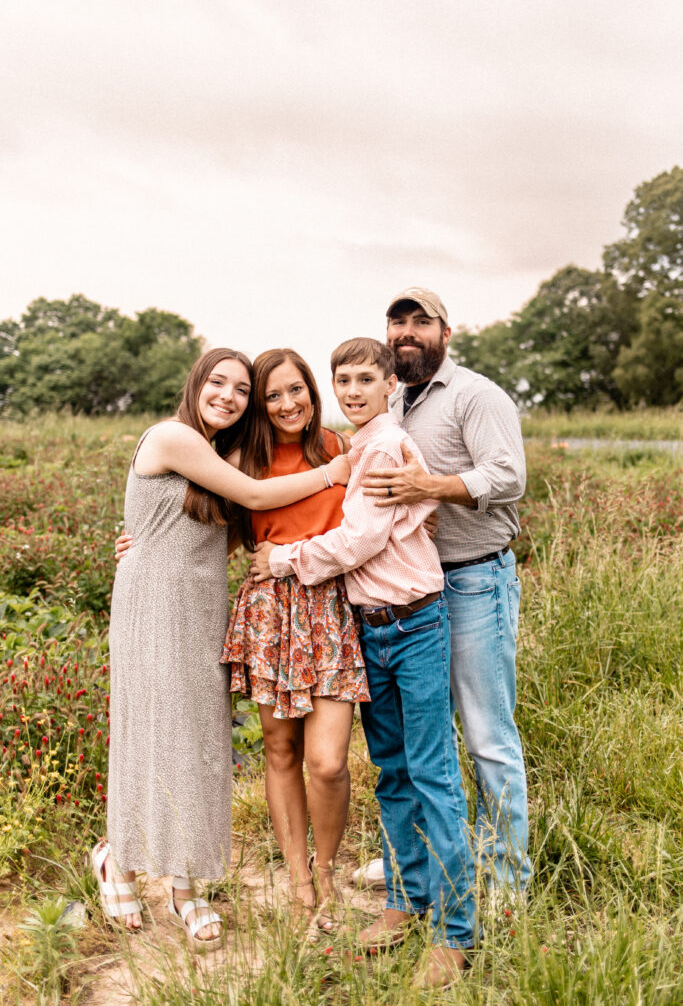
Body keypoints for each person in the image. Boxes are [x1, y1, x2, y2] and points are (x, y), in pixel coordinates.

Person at [96, 347, 350, 951]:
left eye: (242, 389)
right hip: (155, 602)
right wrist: (332, 474)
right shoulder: (173, 436)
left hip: (202, 606)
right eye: (219, 382)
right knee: (151, 730)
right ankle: (118, 859)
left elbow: (248, 513)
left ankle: (189, 883)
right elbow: (258, 498)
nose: (229, 396)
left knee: (202, 740)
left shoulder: (224, 453)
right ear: (196, 383)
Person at [250, 338, 477, 989]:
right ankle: (404, 903)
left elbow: (360, 539)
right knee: (392, 772)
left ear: (387, 385)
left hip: (412, 624)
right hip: (367, 632)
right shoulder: (353, 447)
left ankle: (454, 932)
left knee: (431, 773)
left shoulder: (378, 447)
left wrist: (285, 560)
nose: (351, 390)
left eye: (363, 380)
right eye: (341, 380)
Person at [361, 287, 532, 900]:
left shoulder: (475, 395)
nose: (406, 331)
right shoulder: (392, 402)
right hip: (417, 591)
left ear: (445, 331)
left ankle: (506, 881)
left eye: (420, 321)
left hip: (474, 577)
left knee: (486, 734)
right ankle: (425, 866)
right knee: (419, 743)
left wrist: (430, 485)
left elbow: (509, 475)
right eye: (396, 322)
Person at [221, 348, 369, 933]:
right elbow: (190, 517)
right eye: (272, 396)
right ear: (260, 405)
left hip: (329, 608)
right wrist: (134, 545)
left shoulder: (341, 448)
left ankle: (327, 870)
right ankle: (300, 885)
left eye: (296, 390)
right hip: (268, 613)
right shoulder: (241, 458)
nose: (288, 405)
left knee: (328, 762)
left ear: (313, 389)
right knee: (280, 752)